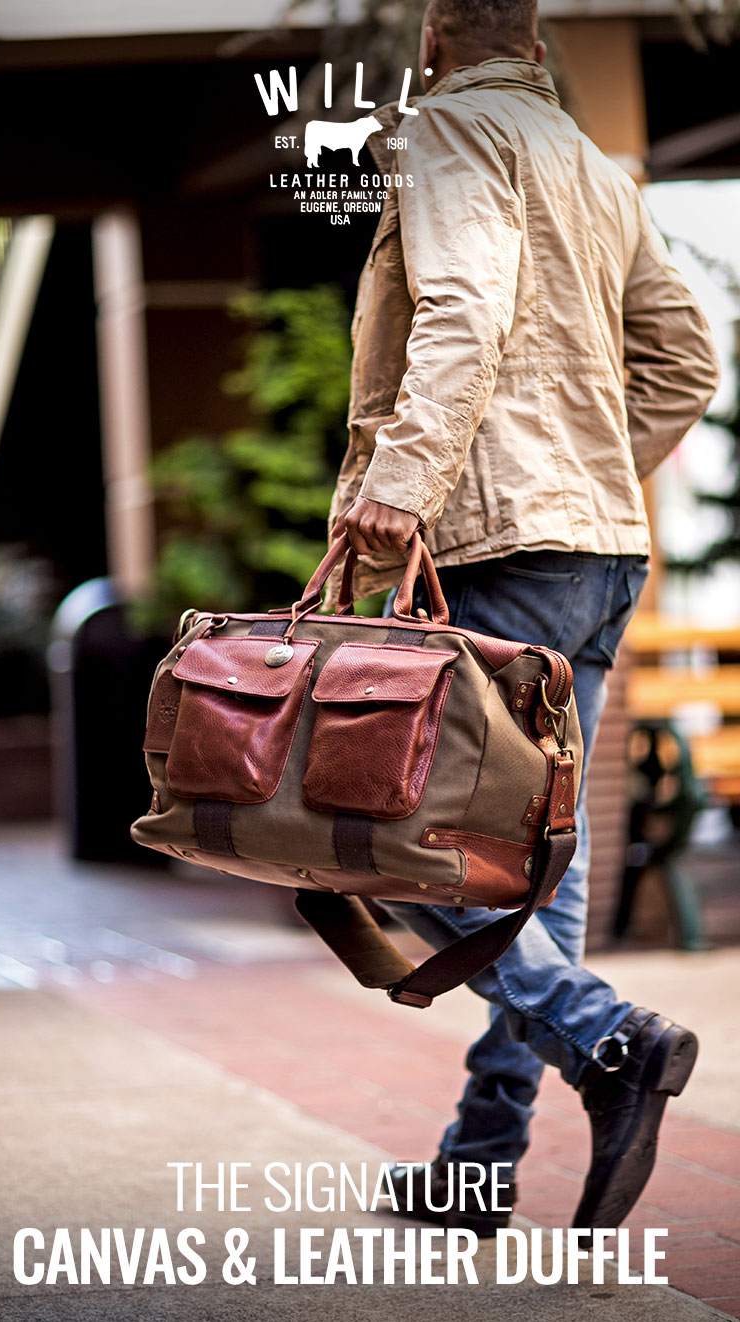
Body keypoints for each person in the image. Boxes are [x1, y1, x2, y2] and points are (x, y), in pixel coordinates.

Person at [328, 0, 720, 1234]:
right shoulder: (588, 164)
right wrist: (592, 475)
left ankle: (609, 1040)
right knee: (537, 861)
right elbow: (686, 358)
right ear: (537, 49)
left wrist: (400, 488)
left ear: (432, 39)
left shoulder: (448, 128)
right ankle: (481, 1156)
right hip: (599, 551)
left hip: (501, 547)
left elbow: (463, 307)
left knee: (389, 833)